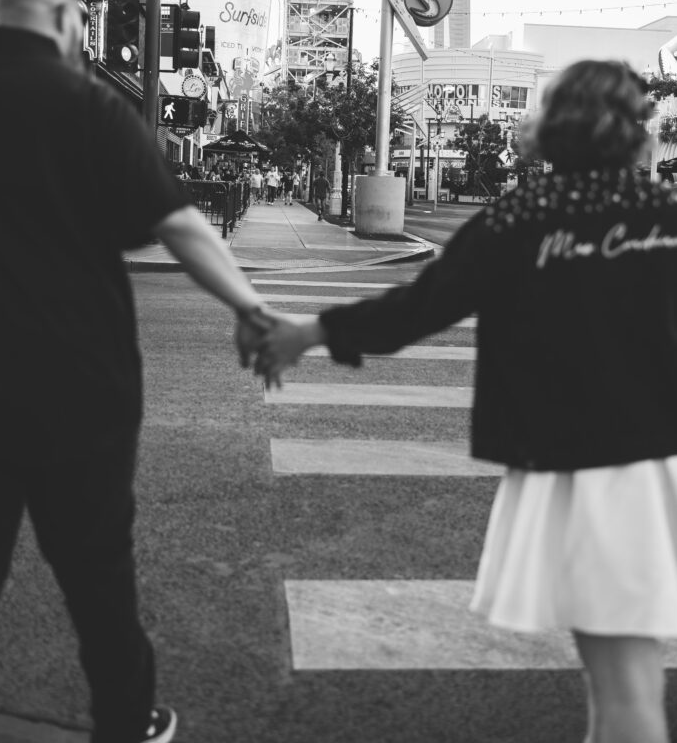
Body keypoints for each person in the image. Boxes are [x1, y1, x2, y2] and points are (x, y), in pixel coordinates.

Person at [252, 59, 677, 743]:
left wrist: (309, 330)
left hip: (576, 466)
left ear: (552, 131)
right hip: (653, 464)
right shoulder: (666, 216)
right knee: (628, 688)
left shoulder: (522, 217)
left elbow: (418, 309)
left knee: (621, 691)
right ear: (635, 135)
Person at [0, 0, 278, 743]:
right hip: (77, 390)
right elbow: (182, 227)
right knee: (96, 574)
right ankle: (126, 722)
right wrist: (250, 309)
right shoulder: (89, 107)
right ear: (64, 16)